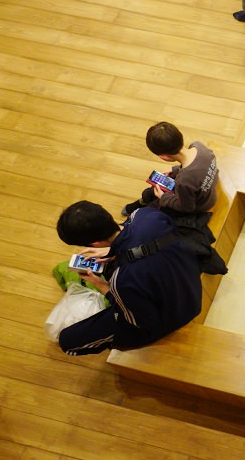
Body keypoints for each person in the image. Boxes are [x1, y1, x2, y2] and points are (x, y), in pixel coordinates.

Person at [55, 201, 202, 356]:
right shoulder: (146, 214)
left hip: (180, 312)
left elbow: (140, 322)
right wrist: (112, 251)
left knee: (67, 341)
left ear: (95, 243)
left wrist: (103, 286)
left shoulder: (122, 281)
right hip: (189, 282)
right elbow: (145, 242)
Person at [121, 122, 218, 218]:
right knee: (156, 189)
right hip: (207, 192)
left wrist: (163, 197)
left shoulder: (184, 180)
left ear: (164, 157)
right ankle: (144, 200)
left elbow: (187, 207)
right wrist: (175, 170)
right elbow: (198, 168)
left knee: (153, 205)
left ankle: (142, 203)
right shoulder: (198, 146)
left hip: (201, 205)